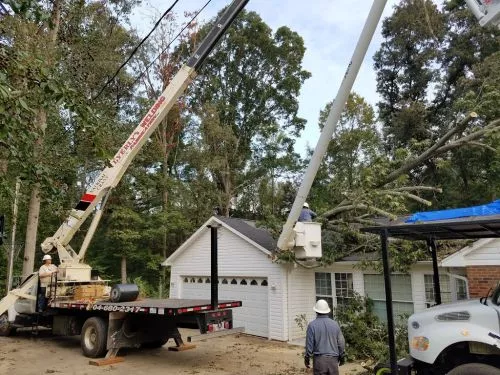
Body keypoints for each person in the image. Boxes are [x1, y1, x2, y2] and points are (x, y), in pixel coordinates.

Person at [304, 299, 346, 375]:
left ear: (316, 311)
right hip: (333, 361)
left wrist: (307, 358)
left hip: (319, 362)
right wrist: (342, 357)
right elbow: (341, 343)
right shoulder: (335, 324)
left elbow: (309, 345)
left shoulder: (312, 325)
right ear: (327, 311)